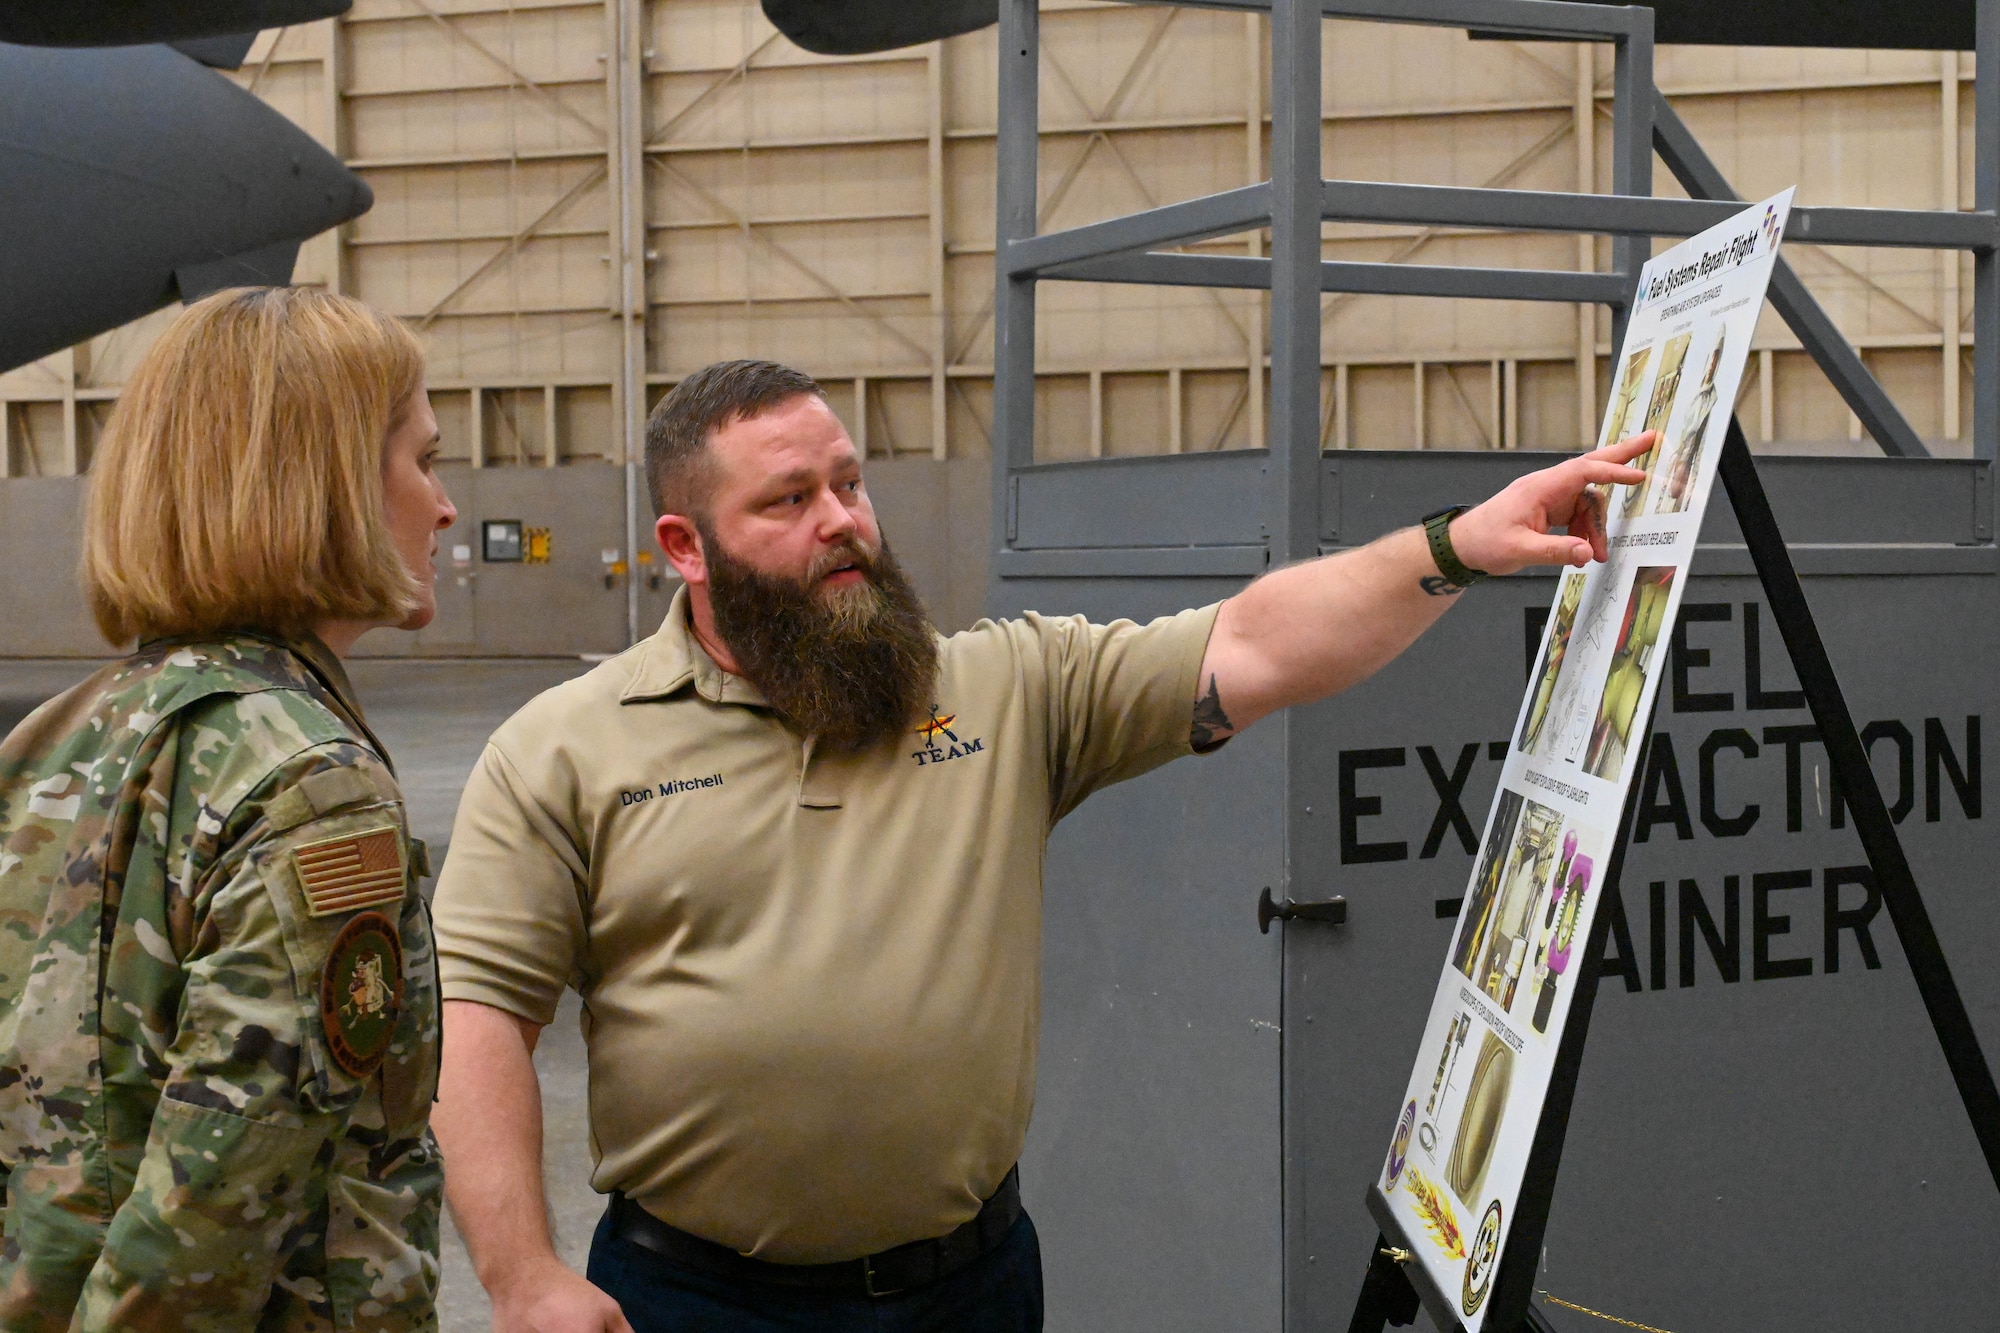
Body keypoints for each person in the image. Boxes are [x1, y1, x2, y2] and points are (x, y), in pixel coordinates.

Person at [428, 359, 1652, 1333]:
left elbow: (1258, 643)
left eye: (848, 484)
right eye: (787, 502)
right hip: (696, 1302)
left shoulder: (1000, 686)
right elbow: (480, 1012)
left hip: (970, 1289)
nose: (842, 522)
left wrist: (1452, 546)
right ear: (685, 546)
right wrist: (522, 1272)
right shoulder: (566, 749)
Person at [0, 287, 458, 1331]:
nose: (442, 507)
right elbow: (218, 1214)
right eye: (423, 460)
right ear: (331, 481)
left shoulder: (62, 736)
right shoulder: (312, 782)